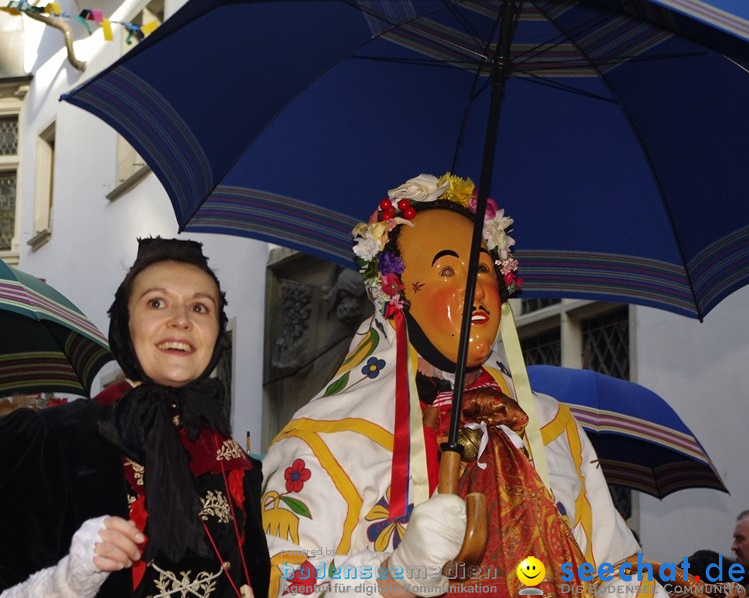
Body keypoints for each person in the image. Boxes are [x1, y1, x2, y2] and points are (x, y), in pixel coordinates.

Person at [261, 172, 667, 598]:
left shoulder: (551, 426)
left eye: (484, 271)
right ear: (396, 294)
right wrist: (393, 578)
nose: (475, 291)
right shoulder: (325, 442)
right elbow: (291, 586)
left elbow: (615, 567)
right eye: (447, 270)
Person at [0, 237, 270, 598]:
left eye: (200, 308)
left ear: (216, 332)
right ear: (124, 323)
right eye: (157, 302)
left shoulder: (235, 465)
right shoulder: (44, 442)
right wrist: (67, 582)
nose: (181, 320)